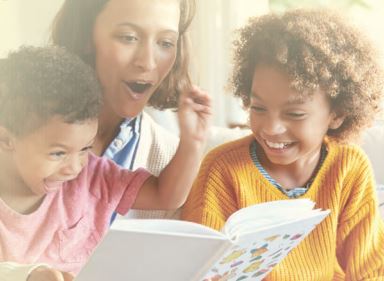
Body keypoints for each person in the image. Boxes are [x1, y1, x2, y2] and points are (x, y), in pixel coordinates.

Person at [182, 9, 384, 280]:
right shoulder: (221, 170)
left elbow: (368, 271)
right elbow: (196, 267)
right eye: (259, 108)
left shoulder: (349, 167)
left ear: (337, 114)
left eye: (294, 114)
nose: (271, 128)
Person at [0, 46, 211, 280]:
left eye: (85, 148)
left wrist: (192, 142)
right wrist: (29, 275)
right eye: (58, 153)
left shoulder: (92, 177)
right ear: (6, 139)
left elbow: (167, 196)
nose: (74, 167)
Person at [51, 0, 198, 220]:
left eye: (166, 42)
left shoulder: (175, 166)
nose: (148, 63)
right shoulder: (20, 133)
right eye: (128, 38)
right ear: (86, 36)